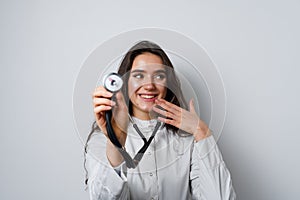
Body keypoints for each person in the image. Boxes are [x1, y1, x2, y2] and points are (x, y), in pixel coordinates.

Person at [84, 41, 236, 199]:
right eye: (138, 75)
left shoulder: (188, 138)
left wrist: (201, 132)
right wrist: (116, 143)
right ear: (124, 82)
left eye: (158, 76)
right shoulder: (101, 139)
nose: (149, 85)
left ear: (168, 84)